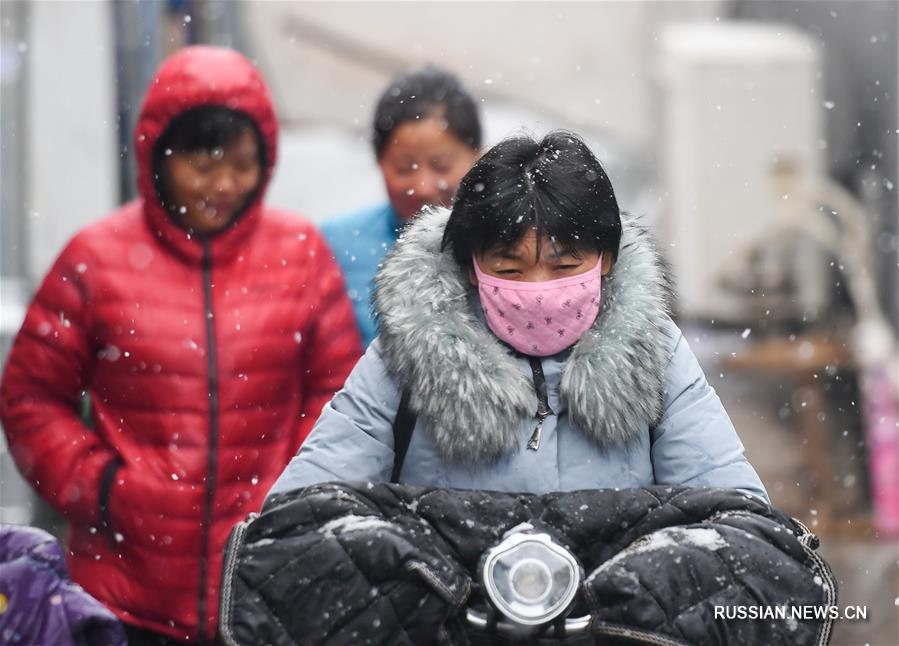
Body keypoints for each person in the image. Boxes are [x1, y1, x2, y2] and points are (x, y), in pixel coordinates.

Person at [0, 46, 362, 644]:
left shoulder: (301, 253)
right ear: (156, 155)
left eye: (244, 165)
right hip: (122, 594)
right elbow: (30, 399)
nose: (224, 185)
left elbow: (340, 396)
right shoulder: (96, 259)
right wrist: (103, 489)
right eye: (203, 163)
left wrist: (295, 493)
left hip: (268, 581)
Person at [268, 131, 769, 503]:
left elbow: (728, 509)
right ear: (470, 267)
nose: (537, 290)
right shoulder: (405, 355)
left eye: (565, 266)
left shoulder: (655, 352)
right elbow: (311, 507)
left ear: (606, 261)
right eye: (508, 267)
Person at [321, 66, 482, 346]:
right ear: (379, 161)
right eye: (405, 167)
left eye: (441, 166)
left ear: (477, 156)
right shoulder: (335, 245)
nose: (423, 187)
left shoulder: (504, 243)